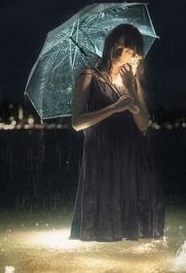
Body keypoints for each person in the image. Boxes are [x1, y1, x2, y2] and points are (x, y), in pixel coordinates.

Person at [68, 23, 165, 241]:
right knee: (102, 223)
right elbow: (77, 122)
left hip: (131, 156)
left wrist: (131, 88)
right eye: (117, 45)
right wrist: (114, 108)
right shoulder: (89, 76)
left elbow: (143, 125)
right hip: (101, 155)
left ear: (135, 54)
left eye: (127, 50)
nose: (120, 52)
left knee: (131, 230)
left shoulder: (132, 81)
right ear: (109, 43)